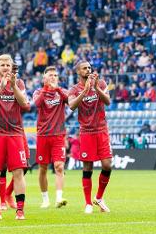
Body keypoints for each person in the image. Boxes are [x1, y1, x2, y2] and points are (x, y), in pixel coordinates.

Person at [0, 54, 29, 220]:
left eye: (8, 65)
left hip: (15, 133)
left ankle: (20, 210)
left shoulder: (20, 83)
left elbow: (24, 103)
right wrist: (1, 87)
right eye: (2, 65)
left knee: (18, 172)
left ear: (11, 67)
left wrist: (14, 86)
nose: (5, 68)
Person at [68, 61, 112, 214]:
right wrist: (85, 91)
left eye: (89, 68)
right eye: (84, 68)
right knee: (88, 167)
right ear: (78, 72)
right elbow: (72, 106)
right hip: (86, 132)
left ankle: (99, 197)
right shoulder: (74, 89)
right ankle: (88, 203)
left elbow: (107, 101)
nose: (88, 70)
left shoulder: (100, 83)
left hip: (101, 130)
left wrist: (96, 88)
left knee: (107, 165)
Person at [33, 66, 69, 209]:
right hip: (43, 135)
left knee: (59, 166)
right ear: (44, 78)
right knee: (43, 168)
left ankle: (59, 198)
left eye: (55, 75)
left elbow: (70, 101)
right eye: (50, 75)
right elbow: (36, 104)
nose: (53, 77)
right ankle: (45, 199)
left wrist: (57, 89)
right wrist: (47, 88)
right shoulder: (38, 92)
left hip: (58, 135)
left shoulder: (62, 92)